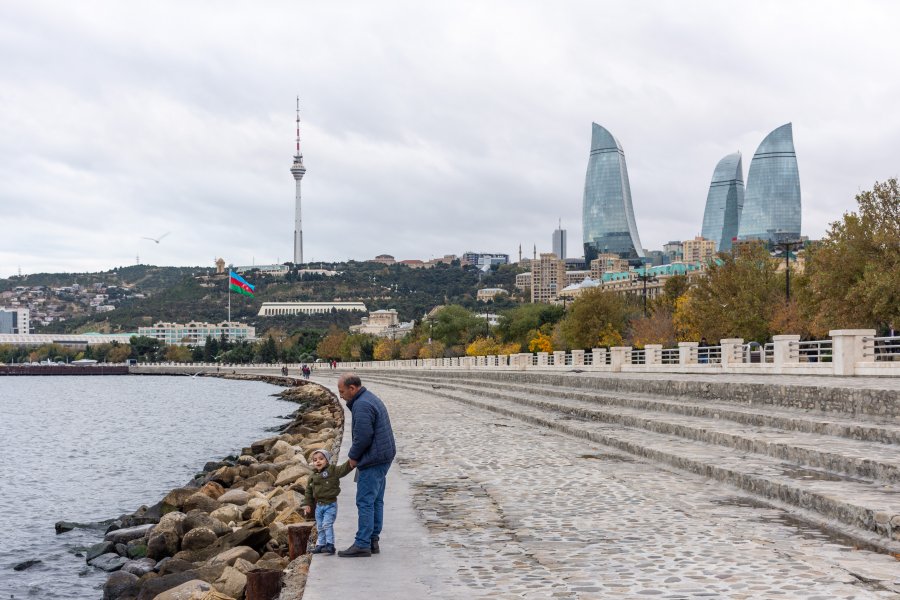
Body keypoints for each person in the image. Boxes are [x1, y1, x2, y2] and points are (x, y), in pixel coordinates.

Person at [336, 373, 396, 557]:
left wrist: (353, 458)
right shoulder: (369, 398)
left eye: (342, 391)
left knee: (365, 501)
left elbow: (363, 437)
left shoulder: (362, 405)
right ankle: (372, 541)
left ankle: (362, 543)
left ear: (352, 388)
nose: (341, 396)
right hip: (383, 455)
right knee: (376, 500)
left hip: (373, 458)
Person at [303, 449, 354, 555]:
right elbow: (308, 491)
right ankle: (321, 545)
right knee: (320, 526)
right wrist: (307, 504)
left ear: (327, 460)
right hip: (319, 506)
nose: (318, 461)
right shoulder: (312, 476)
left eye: (321, 459)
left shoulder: (332, 470)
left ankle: (330, 545)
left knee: (327, 524)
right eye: (315, 460)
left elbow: (343, 469)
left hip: (330, 505)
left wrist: (351, 462)